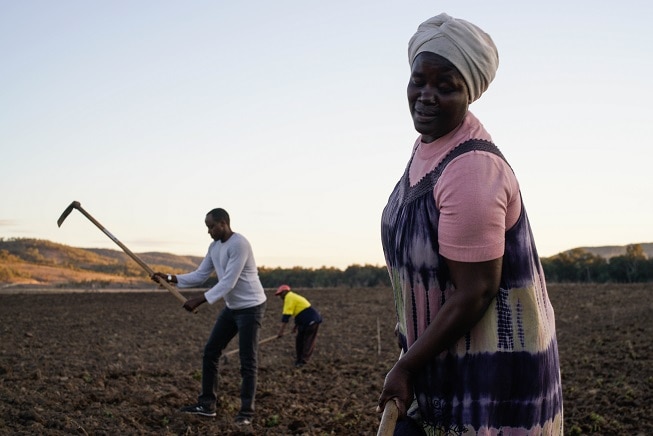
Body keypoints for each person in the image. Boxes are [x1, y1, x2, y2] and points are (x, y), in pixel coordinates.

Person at [377, 13, 563, 435]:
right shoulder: (428, 147)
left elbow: (476, 290)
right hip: (438, 358)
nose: (426, 96)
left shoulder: (472, 168)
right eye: (418, 81)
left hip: (487, 372)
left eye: (446, 86)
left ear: (470, 93)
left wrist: (406, 366)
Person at [152, 208, 266, 426]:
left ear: (223, 223)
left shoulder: (240, 244)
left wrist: (199, 300)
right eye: (207, 227)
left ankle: (246, 414)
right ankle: (206, 406)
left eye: (211, 226)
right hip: (232, 307)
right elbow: (200, 275)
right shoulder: (214, 247)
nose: (209, 231)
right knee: (211, 352)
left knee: (247, 360)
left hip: (251, 307)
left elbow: (228, 282)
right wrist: (168, 278)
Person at [275, 284, 322, 367]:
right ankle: (298, 360)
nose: (280, 297)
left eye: (281, 294)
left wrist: (281, 332)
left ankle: (303, 362)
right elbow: (298, 313)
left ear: (285, 292)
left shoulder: (289, 297)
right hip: (304, 321)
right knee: (299, 340)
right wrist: (295, 327)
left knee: (308, 341)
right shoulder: (292, 297)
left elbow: (286, 316)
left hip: (312, 321)